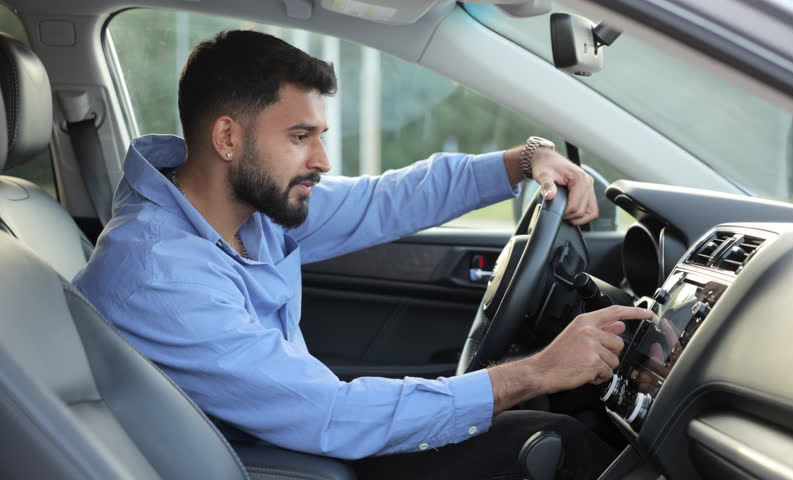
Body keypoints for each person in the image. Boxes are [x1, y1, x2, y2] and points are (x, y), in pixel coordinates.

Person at [74, 30, 651, 479]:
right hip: (267, 462)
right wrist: (540, 370)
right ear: (228, 138)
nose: (322, 159)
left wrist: (524, 161)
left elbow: (386, 200)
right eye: (301, 137)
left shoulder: (247, 209)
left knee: (540, 431)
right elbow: (329, 415)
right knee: (556, 444)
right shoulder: (157, 272)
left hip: (294, 440)